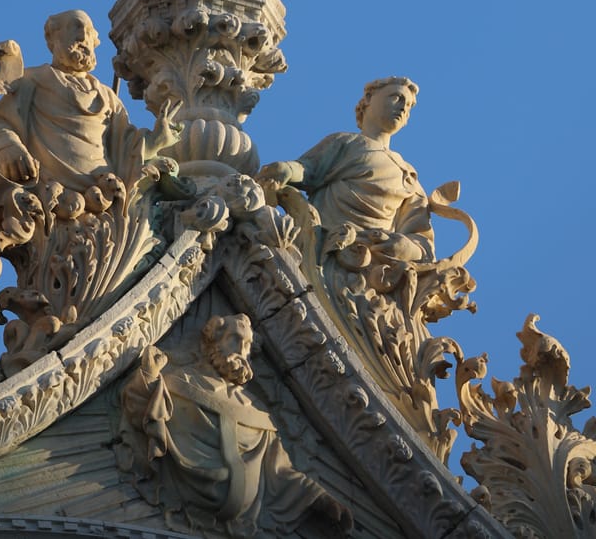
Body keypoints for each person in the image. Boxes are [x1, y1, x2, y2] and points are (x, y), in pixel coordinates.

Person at [120, 313, 352, 536]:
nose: (242, 350)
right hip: (185, 495)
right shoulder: (180, 383)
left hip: (246, 521)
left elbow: (278, 471)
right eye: (236, 339)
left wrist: (318, 498)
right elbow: (145, 412)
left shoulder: (256, 410)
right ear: (214, 341)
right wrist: (149, 376)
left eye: (248, 344)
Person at [259, 77, 434, 285]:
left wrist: (402, 246)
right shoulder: (346, 143)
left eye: (409, 106)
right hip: (323, 246)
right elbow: (309, 170)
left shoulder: (409, 176)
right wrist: (285, 169)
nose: (404, 107)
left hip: (370, 269)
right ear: (369, 98)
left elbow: (422, 243)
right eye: (396, 97)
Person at [0, 9, 176, 191]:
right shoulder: (33, 80)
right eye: (76, 26)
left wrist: (156, 139)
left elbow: (125, 147)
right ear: (52, 37)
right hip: (52, 190)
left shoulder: (107, 96)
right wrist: (9, 148)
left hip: (104, 193)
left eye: (89, 32)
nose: (83, 36)